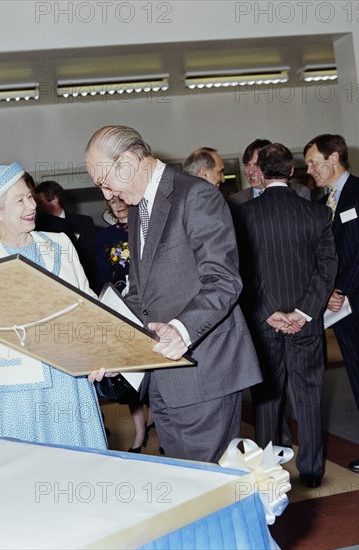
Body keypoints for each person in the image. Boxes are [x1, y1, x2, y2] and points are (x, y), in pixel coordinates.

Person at [85, 125, 262, 462]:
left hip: (204, 373)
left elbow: (224, 281)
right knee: (184, 482)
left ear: (126, 163)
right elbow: (140, 295)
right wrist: (114, 348)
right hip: (164, 380)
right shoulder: (139, 209)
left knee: (208, 489)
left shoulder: (195, 196)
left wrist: (181, 330)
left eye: (104, 181)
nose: (107, 194)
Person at [0, 162, 107, 449]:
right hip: (17, 387)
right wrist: (23, 342)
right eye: (20, 200)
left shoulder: (60, 243)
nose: (31, 205)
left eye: (30, 196)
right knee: (27, 472)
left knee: (82, 469)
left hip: (69, 380)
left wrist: (100, 352)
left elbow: (89, 305)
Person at [235, 143, 338, 488]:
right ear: (292, 171)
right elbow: (327, 269)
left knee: (267, 399)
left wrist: (268, 313)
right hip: (305, 324)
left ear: (260, 172)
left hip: (264, 324)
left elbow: (242, 273)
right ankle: (311, 472)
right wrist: (304, 311)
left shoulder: (244, 216)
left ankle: (268, 470)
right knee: (308, 395)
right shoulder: (317, 214)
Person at [304, 133, 359, 472]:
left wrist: (344, 288)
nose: (310, 170)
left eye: (313, 162)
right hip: (342, 312)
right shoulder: (323, 206)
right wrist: (327, 293)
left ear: (333, 158)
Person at [94, 196, 151, 452]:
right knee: (130, 373)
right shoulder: (104, 237)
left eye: (121, 201)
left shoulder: (147, 228)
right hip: (121, 310)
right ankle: (140, 430)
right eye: (112, 203)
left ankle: (159, 419)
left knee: (156, 368)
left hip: (150, 308)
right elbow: (99, 277)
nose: (117, 206)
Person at [34, 179, 97, 287]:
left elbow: (92, 257)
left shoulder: (84, 222)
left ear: (54, 199)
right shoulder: (37, 228)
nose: (36, 207)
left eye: (40, 202)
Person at [228, 139, 310, 207]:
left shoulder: (299, 192)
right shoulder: (235, 201)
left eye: (257, 165)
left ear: (270, 164)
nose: (250, 171)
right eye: (247, 165)